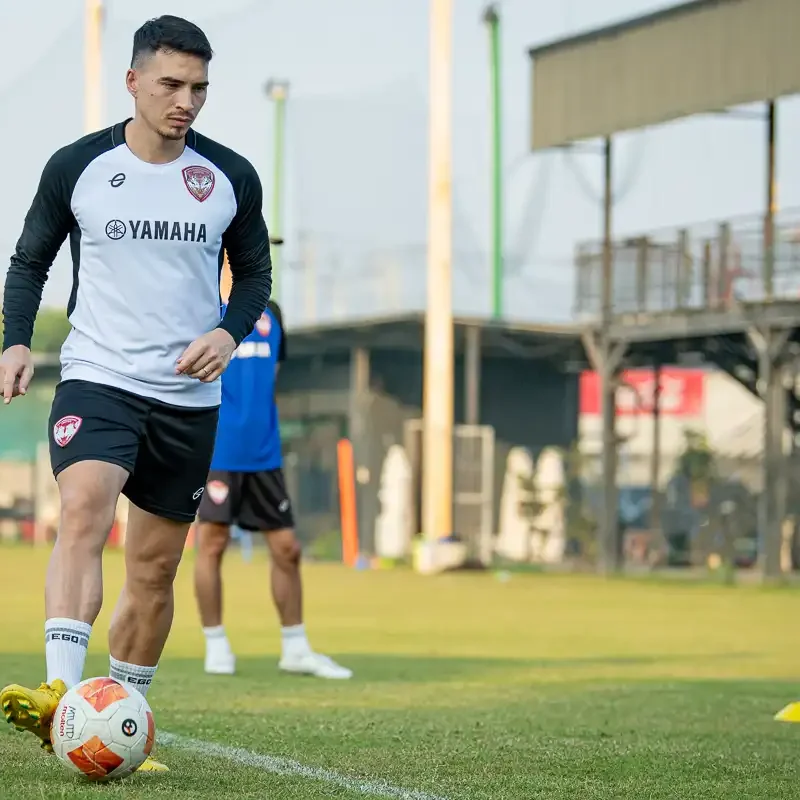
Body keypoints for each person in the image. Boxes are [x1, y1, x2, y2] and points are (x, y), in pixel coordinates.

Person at [0, 16, 271, 773]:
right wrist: (15, 340)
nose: (187, 101)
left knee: (153, 570)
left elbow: (255, 274)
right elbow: (29, 261)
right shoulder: (78, 166)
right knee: (84, 508)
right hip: (100, 376)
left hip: (187, 397)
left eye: (199, 88)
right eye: (171, 84)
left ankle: (121, 720)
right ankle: (61, 696)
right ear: (133, 82)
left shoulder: (230, 177)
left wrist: (229, 333)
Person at [194, 297, 352, 680]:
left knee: (287, 548)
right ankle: (216, 643)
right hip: (219, 448)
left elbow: (272, 376)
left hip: (264, 453)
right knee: (212, 543)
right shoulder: (203, 304)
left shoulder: (272, 312)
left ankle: (295, 648)